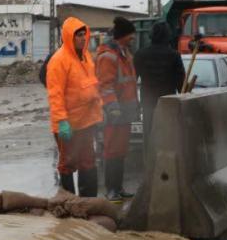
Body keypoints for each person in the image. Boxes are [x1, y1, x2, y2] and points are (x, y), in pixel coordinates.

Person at [46, 17, 103, 197]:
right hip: (68, 125)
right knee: (68, 164)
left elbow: (93, 86)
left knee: (88, 162)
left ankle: (89, 202)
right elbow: (56, 95)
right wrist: (62, 121)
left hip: (86, 121)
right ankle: (68, 202)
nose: (82, 38)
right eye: (78, 35)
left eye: (83, 34)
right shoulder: (59, 60)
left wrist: (100, 110)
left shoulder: (86, 56)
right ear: (69, 36)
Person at [96, 17, 139, 200]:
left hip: (125, 111)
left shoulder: (125, 54)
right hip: (114, 112)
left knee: (121, 151)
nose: (133, 39)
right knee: (112, 150)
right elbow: (105, 85)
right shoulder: (109, 56)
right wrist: (112, 107)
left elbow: (129, 83)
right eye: (131, 36)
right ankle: (111, 189)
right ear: (122, 36)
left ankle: (118, 187)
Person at [133, 21, 185, 143]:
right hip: (168, 101)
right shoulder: (174, 55)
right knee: (168, 136)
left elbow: (133, 79)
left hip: (148, 101)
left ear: (151, 35)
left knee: (149, 134)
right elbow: (180, 81)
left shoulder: (140, 54)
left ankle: (148, 159)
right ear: (168, 36)